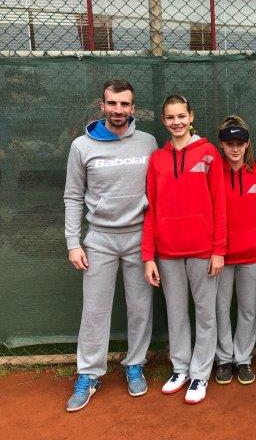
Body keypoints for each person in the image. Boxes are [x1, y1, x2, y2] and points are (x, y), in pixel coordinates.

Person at [64, 79, 157, 412]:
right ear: (102, 106)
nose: (119, 110)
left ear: (133, 108)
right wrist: (73, 243)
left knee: (140, 307)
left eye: (125, 104)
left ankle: (135, 364)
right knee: (94, 310)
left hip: (139, 238)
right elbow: (73, 196)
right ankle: (89, 374)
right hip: (99, 239)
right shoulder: (81, 146)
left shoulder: (148, 142)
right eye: (113, 104)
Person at [141, 95, 226, 404]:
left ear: (191, 117)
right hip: (168, 251)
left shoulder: (209, 153)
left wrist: (218, 250)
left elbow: (219, 204)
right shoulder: (157, 158)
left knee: (205, 314)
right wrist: (148, 256)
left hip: (203, 249)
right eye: (170, 117)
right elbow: (150, 208)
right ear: (164, 121)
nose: (176, 122)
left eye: (181, 116)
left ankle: (200, 372)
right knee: (176, 313)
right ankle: (181, 368)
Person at [214, 115, 256, 386]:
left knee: (247, 309)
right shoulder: (213, 173)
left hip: (251, 254)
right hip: (221, 256)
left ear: (247, 144)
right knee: (221, 309)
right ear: (222, 145)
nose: (234, 149)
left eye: (239, 143)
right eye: (229, 143)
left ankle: (243, 358)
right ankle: (224, 359)